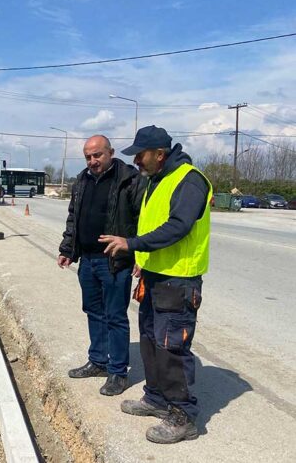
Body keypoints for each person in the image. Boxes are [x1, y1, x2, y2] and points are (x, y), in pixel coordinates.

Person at [100, 126, 212, 444]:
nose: (136, 160)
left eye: (141, 154)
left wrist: (132, 243)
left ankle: (183, 416)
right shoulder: (156, 180)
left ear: (159, 154)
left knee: (171, 347)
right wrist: (142, 259)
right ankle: (157, 398)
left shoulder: (189, 180)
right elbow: (153, 224)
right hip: (154, 277)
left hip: (178, 280)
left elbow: (178, 226)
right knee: (150, 341)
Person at [58, 135, 143, 396]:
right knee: (93, 311)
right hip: (88, 260)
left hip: (115, 261)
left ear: (111, 153)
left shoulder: (129, 179)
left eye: (98, 155)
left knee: (115, 315)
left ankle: (117, 371)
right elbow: (74, 217)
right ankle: (98, 361)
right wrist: (67, 249)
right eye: (88, 156)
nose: (93, 161)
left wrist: (139, 253)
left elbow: (143, 218)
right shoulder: (82, 180)